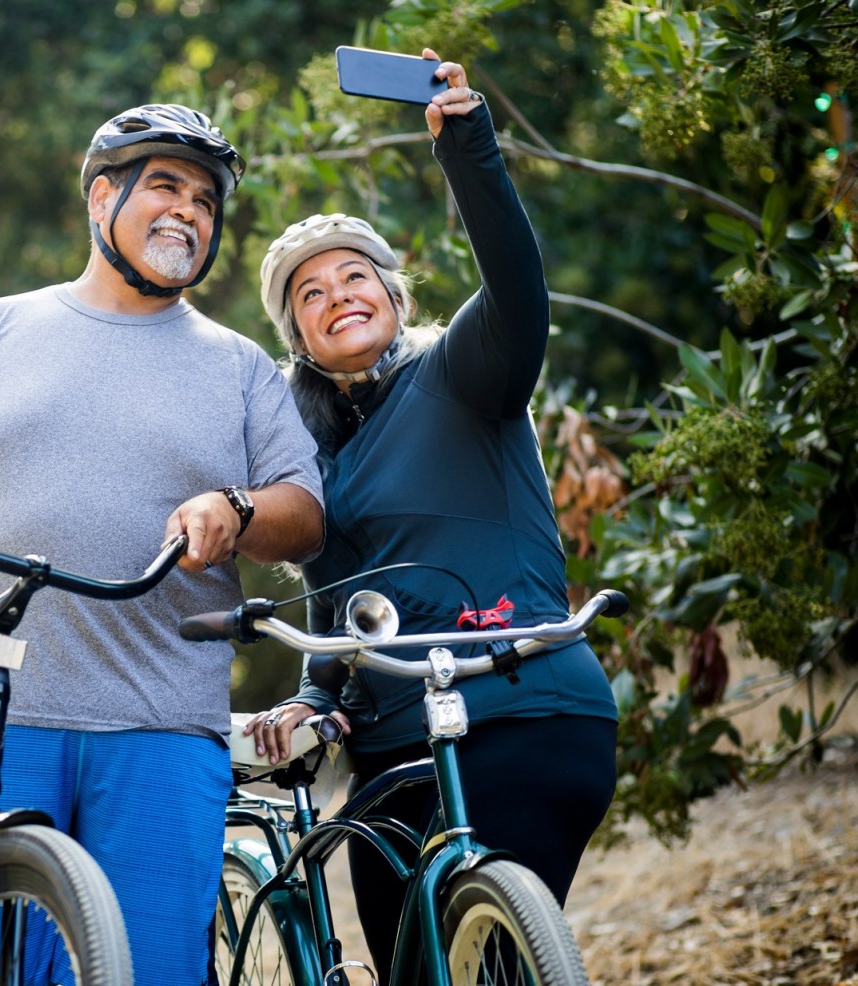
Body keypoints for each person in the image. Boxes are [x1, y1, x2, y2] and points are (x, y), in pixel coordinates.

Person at [0, 104, 325, 985]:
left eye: (207, 201)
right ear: (103, 198)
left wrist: (240, 509)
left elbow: (305, 512)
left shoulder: (240, 366)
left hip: (163, 725)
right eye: (166, 188)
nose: (189, 211)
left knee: (150, 972)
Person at [243, 50, 618, 982]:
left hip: (521, 704)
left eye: (356, 277)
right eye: (312, 295)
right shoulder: (313, 454)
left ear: (394, 295)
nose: (340, 297)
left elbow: (518, 284)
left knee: (491, 948)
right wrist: (315, 701)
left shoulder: (462, 373)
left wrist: (468, 148)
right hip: (391, 748)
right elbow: (340, 603)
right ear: (298, 339)